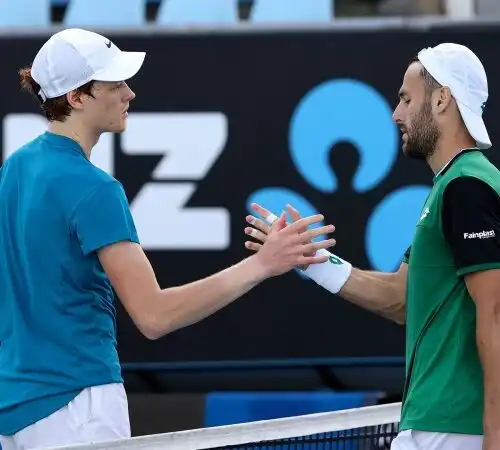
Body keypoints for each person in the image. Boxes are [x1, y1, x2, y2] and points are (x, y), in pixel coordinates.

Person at [0, 28, 336, 450]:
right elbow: (154, 316)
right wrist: (263, 263)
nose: (130, 94)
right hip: (77, 407)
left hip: (14, 412)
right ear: (77, 98)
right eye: (115, 84)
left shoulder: (15, 168)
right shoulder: (95, 189)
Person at [243, 43, 500, 450]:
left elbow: (496, 312)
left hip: (457, 426)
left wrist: (496, 436)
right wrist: (312, 261)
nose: (396, 114)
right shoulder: (454, 186)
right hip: (437, 421)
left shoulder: (467, 186)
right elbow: (400, 298)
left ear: (441, 99)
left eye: (405, 98)